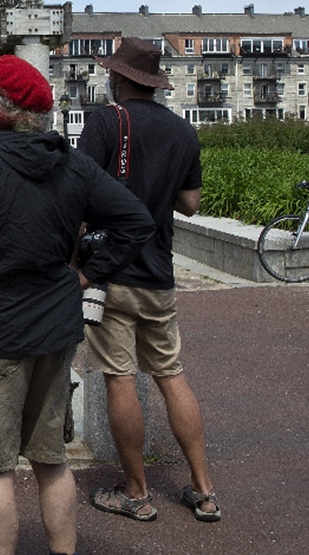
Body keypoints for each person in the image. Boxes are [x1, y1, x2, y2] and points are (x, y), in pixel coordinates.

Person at [0, 54, 154, 555]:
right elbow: (137, 222)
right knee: (52, 459)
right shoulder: (73, 165)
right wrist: (87, 273)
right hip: (54, 329)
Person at [76, 37, 220, 523]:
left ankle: (136, 492)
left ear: (118, 79)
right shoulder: (183, 130)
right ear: (153, 83)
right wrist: (154, 190)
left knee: (120, 378)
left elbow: (78, 197)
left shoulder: (104, 121)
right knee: (171, 374)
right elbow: (191, 203)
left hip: (111, 271)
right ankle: (203, 489)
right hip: (159, 271)